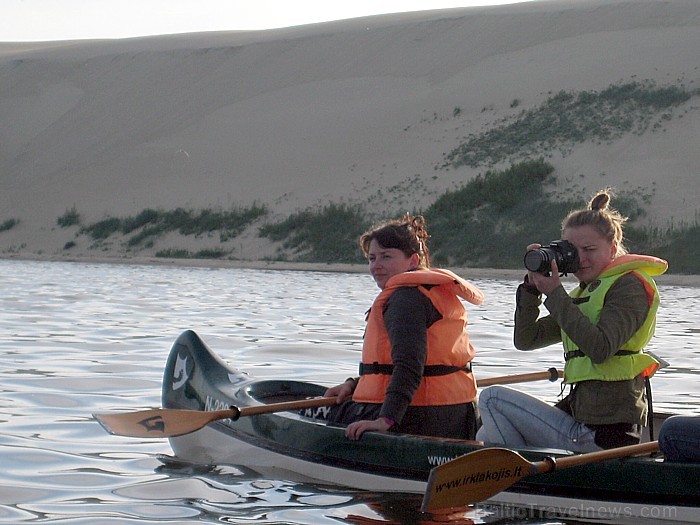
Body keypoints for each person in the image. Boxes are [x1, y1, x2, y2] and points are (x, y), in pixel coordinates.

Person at [476, 189, 668, 452]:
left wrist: (555, 294)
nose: (582, 259)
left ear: (612, 249)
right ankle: (530, 484)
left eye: (590, 249)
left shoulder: (629, 286)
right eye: (573, 251)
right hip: (580, 420)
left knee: (491, 398)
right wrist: (532, 290)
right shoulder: (582, 296)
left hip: (604, 434)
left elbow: (601, 349)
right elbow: (526, 340)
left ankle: (521, 483)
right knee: (485, 429)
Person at [323, 213, 484, 441]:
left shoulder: (406, 299)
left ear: (413, 261)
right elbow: (411, 366)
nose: (376, 266)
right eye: (372, 258)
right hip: (458, 412)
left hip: (419, 417)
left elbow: (409, 365)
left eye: (386, 257)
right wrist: (355, 385)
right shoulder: (428, 292)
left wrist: (385, 420)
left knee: (327, 415)